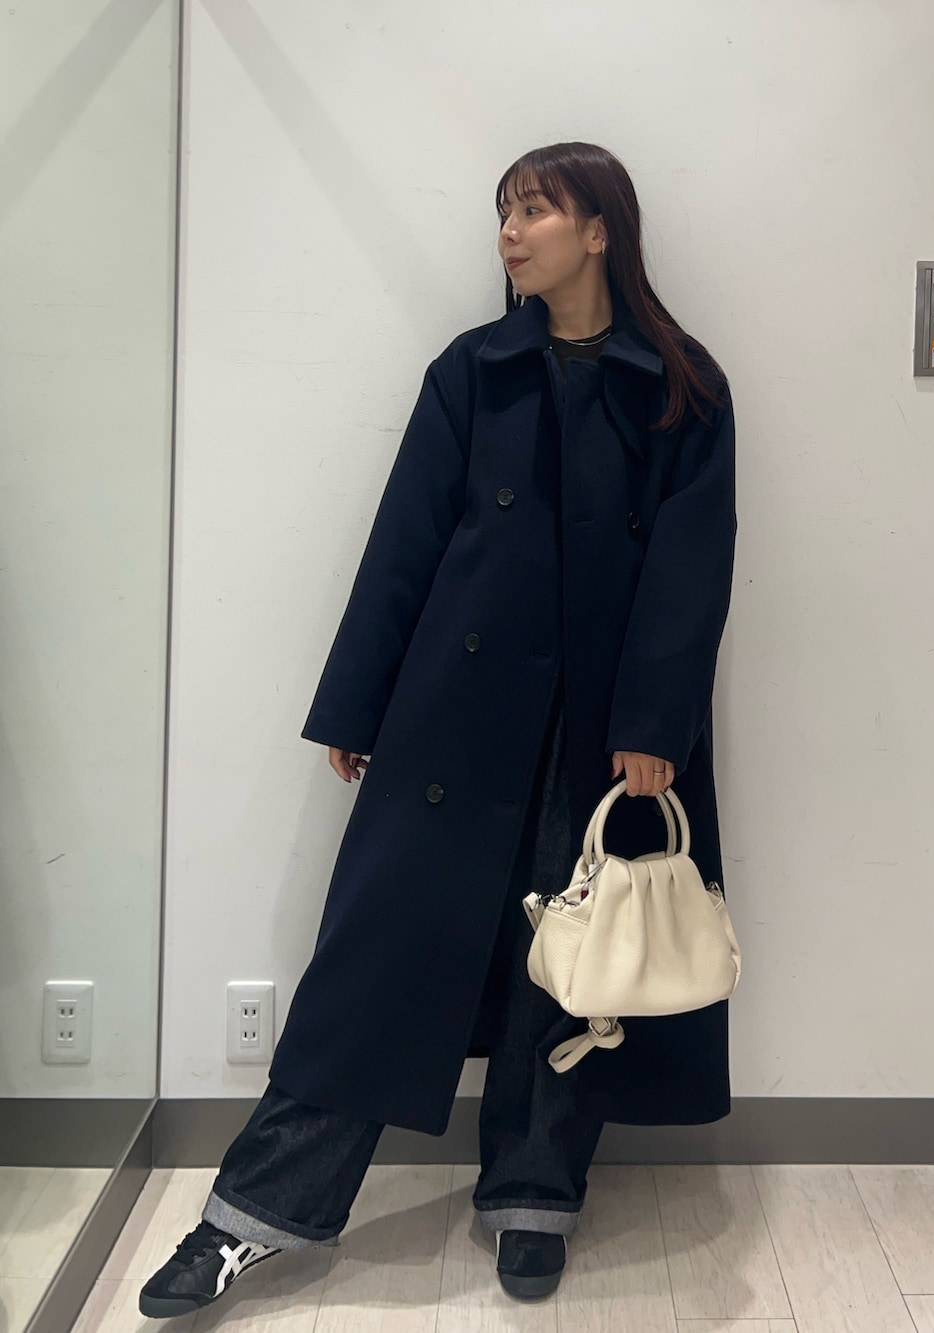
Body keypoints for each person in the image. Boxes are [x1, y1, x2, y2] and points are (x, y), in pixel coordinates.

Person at [139, 141, 737, 1318]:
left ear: (599, 229)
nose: (509, 233)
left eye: (534, 210)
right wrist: (359, 701)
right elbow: (407, 537)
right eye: (502, 213)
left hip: (600, 730)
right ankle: (249, 1218)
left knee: (569, 966)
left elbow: (691, 567)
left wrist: (653, 722)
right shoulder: (473, 370)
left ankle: (535, 1194)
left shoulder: (680, 384)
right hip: (455, 712)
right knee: (379, 957)